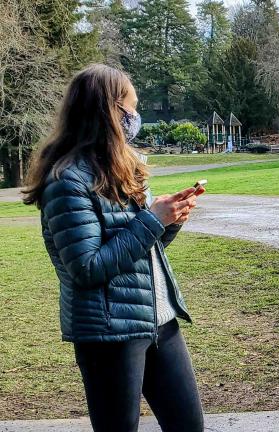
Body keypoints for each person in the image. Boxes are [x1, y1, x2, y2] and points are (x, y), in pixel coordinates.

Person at [22, 64, 205, 432]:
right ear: (109, 111)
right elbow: (87, 268)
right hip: (109, 333)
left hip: (159, 321)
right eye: (131, 107)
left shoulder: (125, 167)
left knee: (189, 426)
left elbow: (142, 249)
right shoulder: (66, 182)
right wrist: (152, 220)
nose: (136, 116)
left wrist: (169, 220)